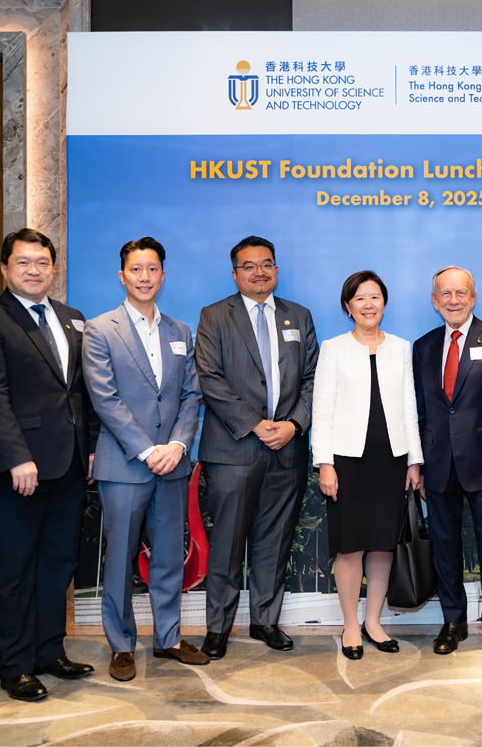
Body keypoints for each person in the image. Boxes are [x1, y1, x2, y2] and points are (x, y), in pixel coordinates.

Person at [0, 228, 99, 702]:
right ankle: (16, 664)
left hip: (70, 463)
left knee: (57, 563)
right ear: (4, 269)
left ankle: (49, 651)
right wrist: (16, 455)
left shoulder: (72, 318)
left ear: (53, 268)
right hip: (18, 468)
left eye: (42, 262)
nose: (34, 270)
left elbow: (81, 391)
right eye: (23, 262)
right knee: (14, 567)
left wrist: (91, 447)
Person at [82, 237, 207, 681]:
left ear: (163, 275)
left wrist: (177, 445)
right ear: (122, 276)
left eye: (152, 269)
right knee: (120, 560)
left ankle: (168, 638)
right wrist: (148, 449)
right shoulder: (100, 329)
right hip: (125, 464)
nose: (144, 277)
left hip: (172, 464)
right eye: (136, 270)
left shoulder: (180, 331)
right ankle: (121, 645)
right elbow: (105, 399)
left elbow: (191, 396)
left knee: (169, 556)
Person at [194, 235, 319, 659]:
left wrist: (294, 425)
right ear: (235, 274)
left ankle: (265, 620)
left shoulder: (298, 316)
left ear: (276, 270)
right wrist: (254, 424)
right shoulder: (215, 315)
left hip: (287, 449)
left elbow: (313, 379)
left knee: (274, 541)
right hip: (233, 449)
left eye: (266, 264)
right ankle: (218, 627)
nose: (259, 272)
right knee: (227, 543)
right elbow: (209, 378)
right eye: (249, 266)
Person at [412, 266, 482, 666]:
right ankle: (453, 622)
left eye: (461, 293)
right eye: (445, 293)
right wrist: (417, 464)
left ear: (473, 297)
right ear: (434, 300)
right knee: (444, 548)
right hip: (438, 465)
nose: (453, 300)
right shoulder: (423, 347)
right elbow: (420, 411)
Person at [312, 271, 423, 660]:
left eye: (374, 297)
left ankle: (373, 622)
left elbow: (409, 407)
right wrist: (324, 463)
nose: (368, 304)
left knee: (381, 545)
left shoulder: (401, 348)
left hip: (391, 461)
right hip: (347, 462)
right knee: (350, 548)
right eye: (359, 298)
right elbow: (321, 409)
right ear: (348, 307)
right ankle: (350, 626)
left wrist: (414, 460)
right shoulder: (333, 348)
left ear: (384, 303)